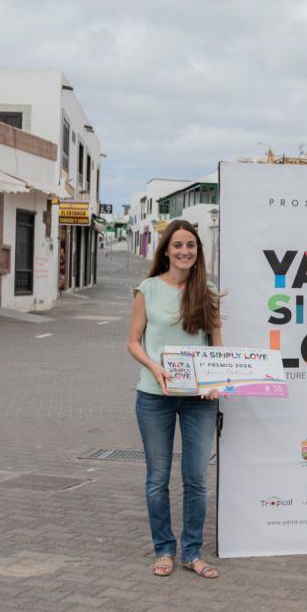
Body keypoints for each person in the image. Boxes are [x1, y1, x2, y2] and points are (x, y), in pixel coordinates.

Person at [127, 219, 223, 579]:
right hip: (155, 396)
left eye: (191, 246)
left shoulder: (207, 290)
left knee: (196, 477)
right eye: (178, 245)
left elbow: (217, 345)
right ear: (166, 250)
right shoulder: (147, 289)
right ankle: (164, 549)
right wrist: (153, 366)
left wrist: (217, 379)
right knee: (157, 478)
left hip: (200, 397)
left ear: (198, 252)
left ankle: (192, 552)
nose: (185, 251)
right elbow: (133, 340)